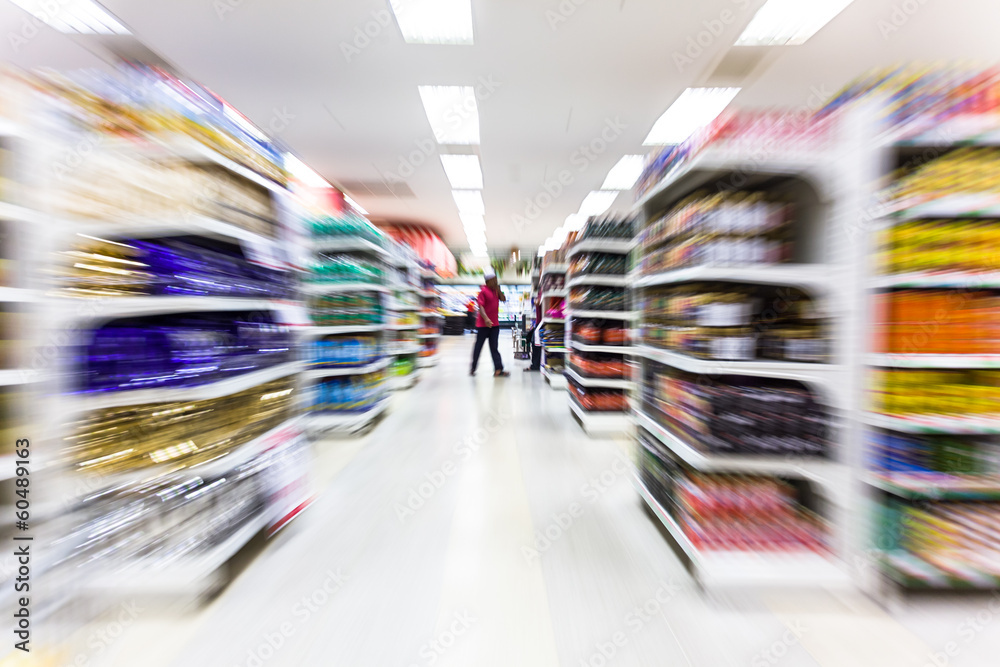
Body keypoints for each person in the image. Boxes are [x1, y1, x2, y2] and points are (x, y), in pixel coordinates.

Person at [470, 269, 509, 377]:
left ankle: (498, 369)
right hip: (483, 325)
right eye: (494, 280)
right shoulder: (483, 291)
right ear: (488, 281)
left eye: (496, 279)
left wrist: (499, 290)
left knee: (494, 347)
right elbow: (480, 307)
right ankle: (473, 368)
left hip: (494, 325)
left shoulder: (495, 290)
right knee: (478, 347)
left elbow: (503, 299)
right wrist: (486, 319)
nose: (496, 281)